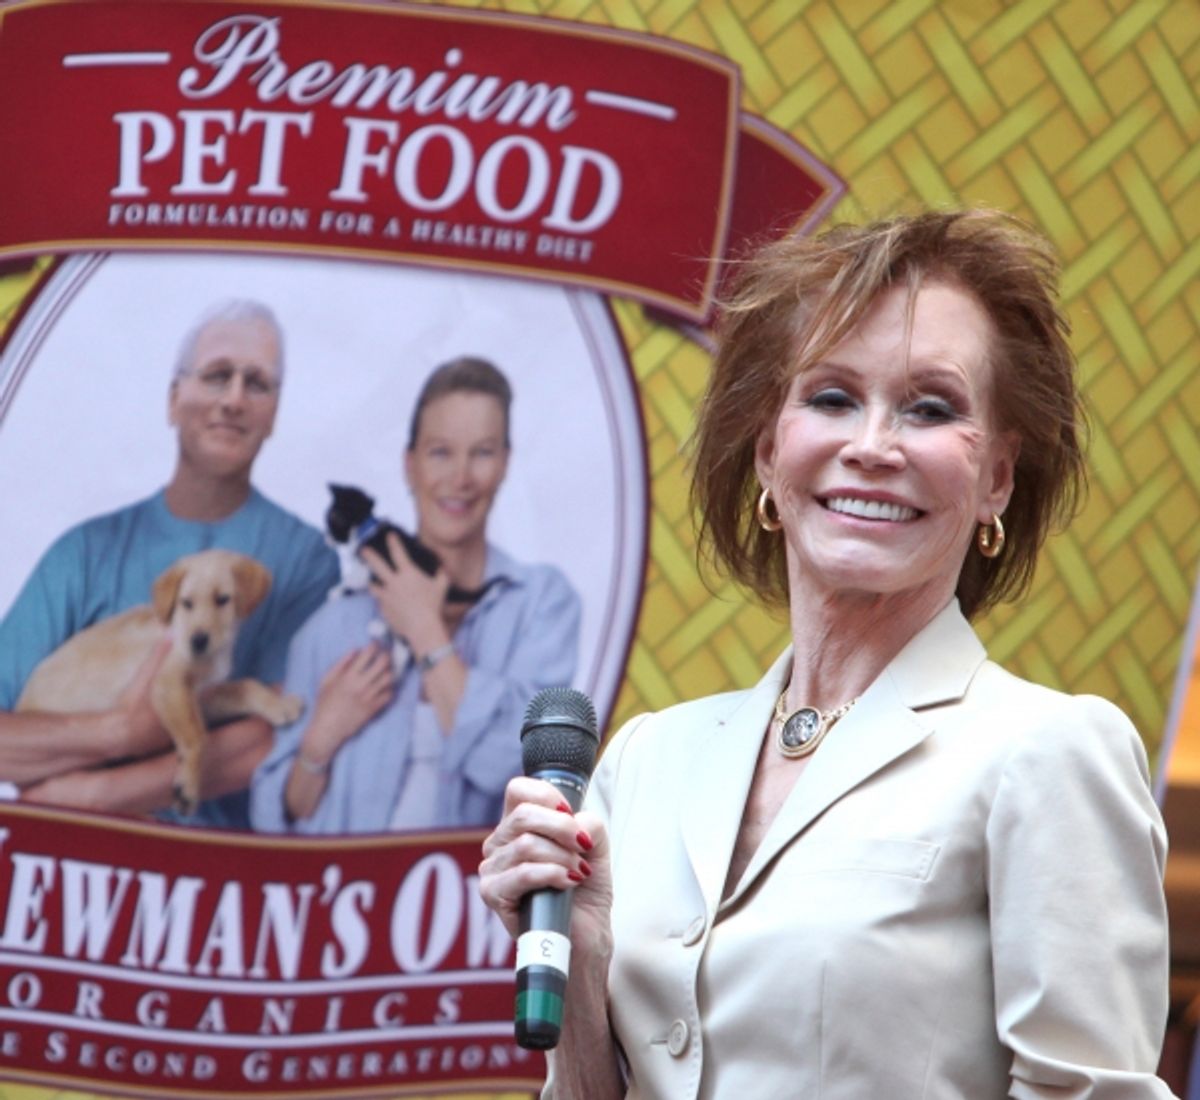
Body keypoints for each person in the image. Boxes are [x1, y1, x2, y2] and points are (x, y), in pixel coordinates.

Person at [478, 210, 1177, 1098]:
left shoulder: (1049, 751)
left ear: (997, 476)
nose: (872, 446)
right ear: (770, 452)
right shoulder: (648, 760)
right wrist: (581, 965)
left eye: (931, 408)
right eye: (832, 397)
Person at [0, 299, 338, 828]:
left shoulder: (303, 558)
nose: (233, 399)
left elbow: (276, 734)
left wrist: (92, 796)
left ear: (274, 412)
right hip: (73, 875)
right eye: (216, 375)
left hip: (211, 876)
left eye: (256, 383)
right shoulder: (84, 552)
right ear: (173, 400)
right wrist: (121, 731)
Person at [251, 356, 582, 834]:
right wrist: (319, 742)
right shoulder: (335, 625)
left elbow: (507, 769)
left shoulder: (540, 604)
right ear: (410, 466)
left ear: (506, 463)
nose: (461, 478)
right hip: (348, 900)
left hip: (469, 904)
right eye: (441, 452)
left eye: (483, 452)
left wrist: (426, 632)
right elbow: (271, 820)